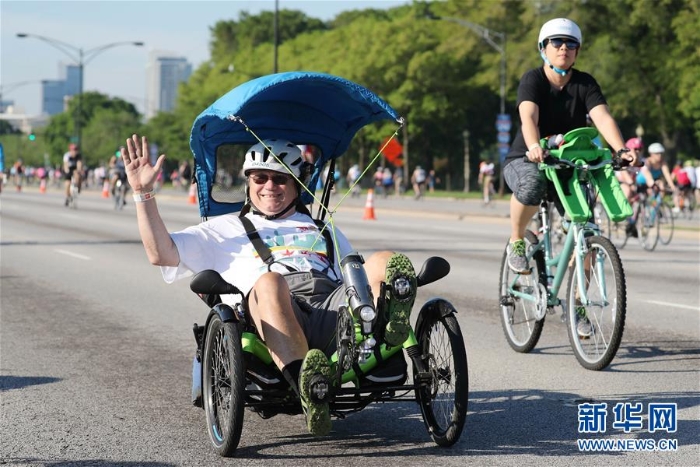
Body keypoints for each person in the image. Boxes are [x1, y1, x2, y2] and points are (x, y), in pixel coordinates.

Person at [120, 134, 418, 437]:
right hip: (271, 311)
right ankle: (309, 385)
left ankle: (386, 332)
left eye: (280, 179)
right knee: (270, 281)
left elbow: (352, 275)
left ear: (297, 184)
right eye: (260, 177)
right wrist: (143, 193)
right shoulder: (223, 228)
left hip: (331, 306)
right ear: (249, 182)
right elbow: (161, 253)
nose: (270, 186)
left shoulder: (322, 227)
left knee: (385, 261)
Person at [502, 18, 636, 338]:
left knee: (585, 233)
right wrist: (534, 145)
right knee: (532, 183)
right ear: (543, 48)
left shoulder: (585, 83)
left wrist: (622, 149)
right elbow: (528, 116)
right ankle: (517, 241)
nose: (564, 48)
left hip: (568, 165)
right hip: (526, 158)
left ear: (577, 51)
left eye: (570, 44)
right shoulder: (532, 79)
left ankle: (577, 307)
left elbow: (601, 116)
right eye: (556, 42)